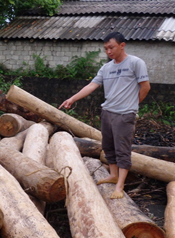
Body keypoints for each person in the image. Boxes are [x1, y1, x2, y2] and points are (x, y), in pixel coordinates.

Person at [58, 31, 151, 199]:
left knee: (122, 149)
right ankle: (113, 175)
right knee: (108, 146)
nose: (108, 51)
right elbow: (92, 86)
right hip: (107, 112)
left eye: (111, 47)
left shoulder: (136, 63)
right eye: (106, 48)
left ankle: (120, 185)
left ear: (122, 45)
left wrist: (132, 105)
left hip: (124, 114)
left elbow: (145, 87)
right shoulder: (106, 68)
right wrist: (72, 99)